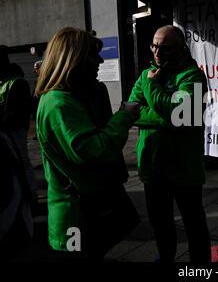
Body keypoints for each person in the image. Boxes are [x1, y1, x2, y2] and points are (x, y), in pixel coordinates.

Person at [35, 27, 140, 261]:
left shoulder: (79, 95)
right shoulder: (58, 104)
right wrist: (124, 115)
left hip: (91, 208)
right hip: (77, 217)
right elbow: (95, 151)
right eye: (94, 55)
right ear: (74, 59)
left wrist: (99, 93)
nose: (101, 61)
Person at [128, 25, 211, 262]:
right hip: (153, 166)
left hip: (184, 168)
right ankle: (165, 258)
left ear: (181, 48)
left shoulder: (193, 76)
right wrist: (167, 116)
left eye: (164, 48)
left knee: (194, 224)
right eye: (154, 45)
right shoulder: (146, 74)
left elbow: (184, 115)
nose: (156, 52)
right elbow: (131, 110)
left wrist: (153, 90)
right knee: (160, 223)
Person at [0, 45, 38, 211]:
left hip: (15, 130)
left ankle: (31, 198)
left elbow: (18, 112)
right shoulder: (3, 80)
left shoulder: (17, 82)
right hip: (5, 130)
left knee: (22, 162)